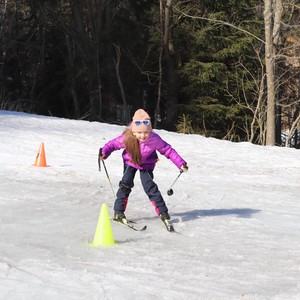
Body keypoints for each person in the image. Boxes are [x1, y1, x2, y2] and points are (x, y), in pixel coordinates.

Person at [99, 109, 188, 225]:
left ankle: (163, 212)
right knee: (126, 183)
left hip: (147, 164)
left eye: (146, 132)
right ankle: (118, 212)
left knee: (150, 186)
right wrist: (104, 152)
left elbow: (168, 150)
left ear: (149, 130)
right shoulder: (128, 137)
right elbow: (113, 144)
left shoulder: (154, 139)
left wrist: (181, 163)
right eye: (139, 133)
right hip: (130, 162)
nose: (143, 136)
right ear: (134, 131)